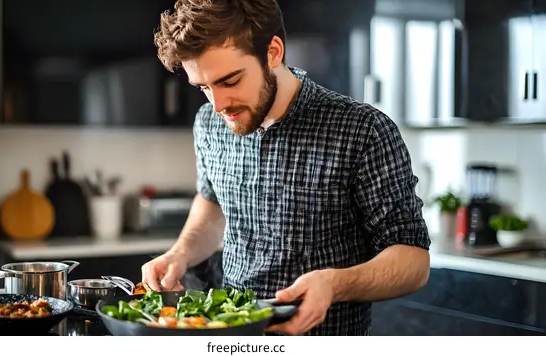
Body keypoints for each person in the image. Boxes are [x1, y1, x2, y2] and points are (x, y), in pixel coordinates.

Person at [141, 0, 431, 336]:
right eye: (204, 87)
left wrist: (334, 283)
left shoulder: (363, 130)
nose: (219, 104)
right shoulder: (209, 123)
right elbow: (212, 206)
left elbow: (414, 262)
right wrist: (180, 253)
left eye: (230, 80)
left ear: (273, 52)